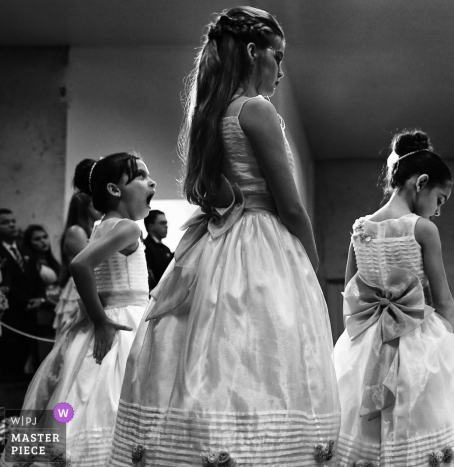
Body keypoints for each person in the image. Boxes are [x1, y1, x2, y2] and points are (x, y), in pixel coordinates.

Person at [108, 7, 340, 465]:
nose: (280, 68)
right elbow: (289, 204)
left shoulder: (212, 114)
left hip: (214, 247)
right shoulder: (256, 110)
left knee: (211, 360)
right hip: (262, 245)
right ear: (255, 53)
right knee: (265, 358)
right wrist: (312, 266)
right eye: (278, 55)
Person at [5, 153, 154, 465]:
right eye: (141, 176)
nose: (151, 181)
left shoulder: (102, 225)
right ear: (115, 190)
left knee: (78, 395)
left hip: (112, 316)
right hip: (122, 320)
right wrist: (100, 320)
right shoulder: (127, 228)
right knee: (113, 397)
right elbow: (80, 264)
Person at [334, 130, 454, 466]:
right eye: (440, 199)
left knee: (365, 430)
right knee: (416, 419)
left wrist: (354, 340)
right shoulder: (422, 229)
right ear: (420, 183)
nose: (438, 211)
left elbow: (350, 295)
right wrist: (451, 347)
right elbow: (444, 299)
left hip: (368, 340)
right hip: (417, 339)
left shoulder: (360, 228)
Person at [0, 208, 45, 380]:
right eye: (5, 222)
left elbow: (37, 279)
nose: (11, 225)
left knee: (25, 362)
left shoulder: (25, 250)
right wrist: (26, 300)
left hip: (29, 316)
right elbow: (7, 286)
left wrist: (40, 298)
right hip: (10, 316)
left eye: (12, 221)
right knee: (8, 364)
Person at [54, 191, 102, 333]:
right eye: (96, 204)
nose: (101, 208)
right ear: (84, 207)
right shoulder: (76, 231)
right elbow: (91, 261)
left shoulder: (92, 229)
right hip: (79, 285)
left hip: (90, 284)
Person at [23, 224, 61, 363]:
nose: (43, 241)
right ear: (29, 242)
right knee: (44, 356)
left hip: (55, 308)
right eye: (37, 239)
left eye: (45, 237)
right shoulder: (30, 264)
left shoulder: (53, 261)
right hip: (42, 313)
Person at [143, 209, 172, 290]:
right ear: (150, 226)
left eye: (166, 223)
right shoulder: (145, 248)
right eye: (162, 223)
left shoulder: (166, 249)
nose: (166, 226)